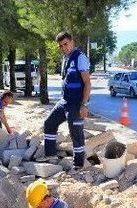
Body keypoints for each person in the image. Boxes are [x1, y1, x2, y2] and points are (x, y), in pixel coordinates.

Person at [44, 31, 91, 169]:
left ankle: (78, 164)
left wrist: (84, 104)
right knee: (49, 123)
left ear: (72, 41)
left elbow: (87, 83)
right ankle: (50, 155)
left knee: (75, 131)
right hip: (64, 101)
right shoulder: (65, 58)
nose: (64, 48)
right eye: (61, 46)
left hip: (76, 103)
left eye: (65, 44)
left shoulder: (80, 58)